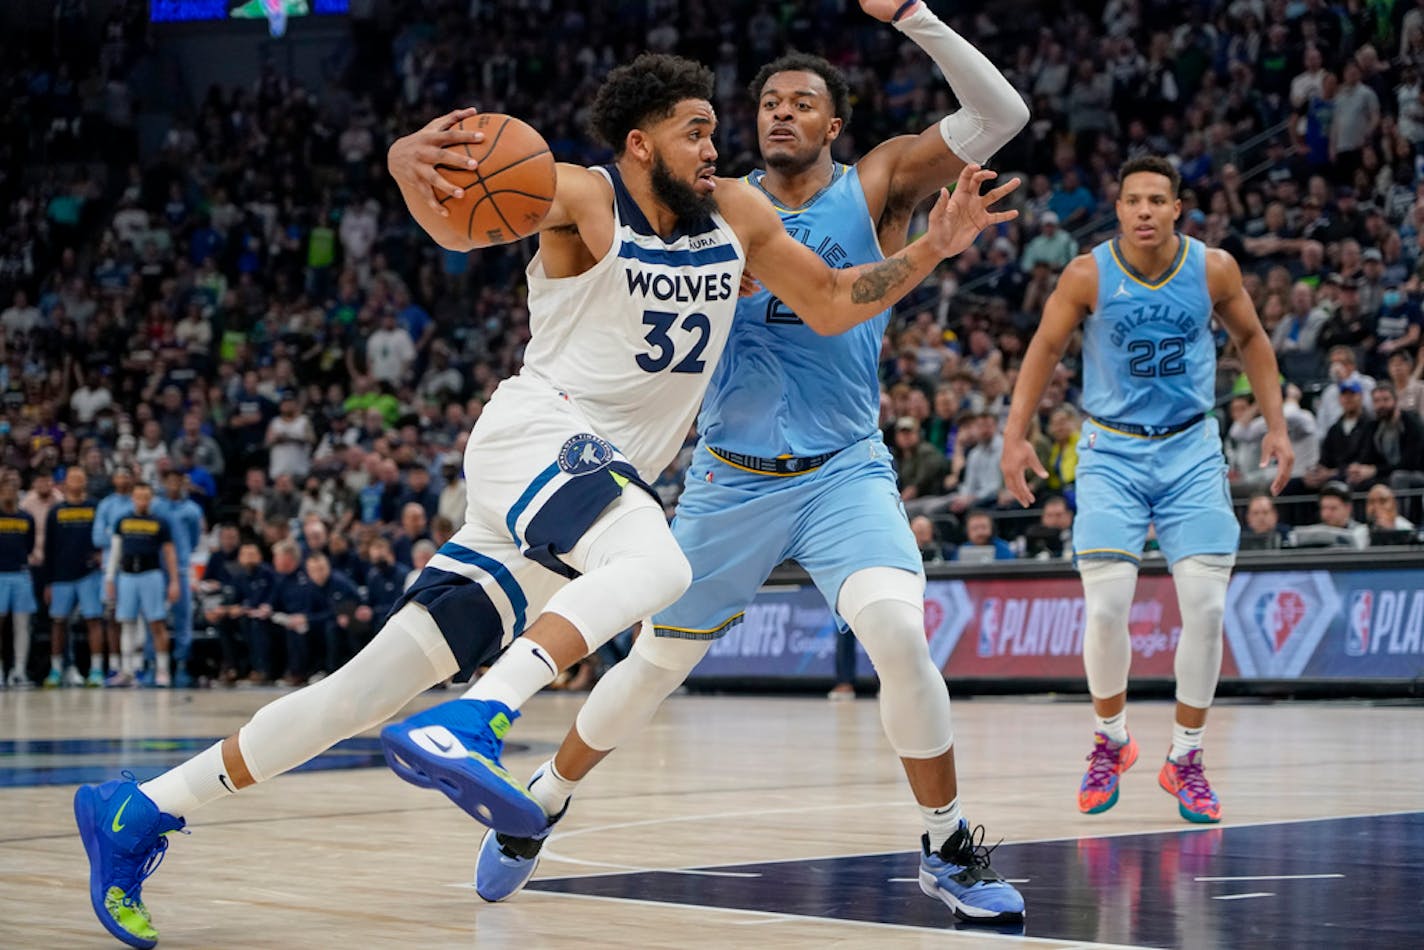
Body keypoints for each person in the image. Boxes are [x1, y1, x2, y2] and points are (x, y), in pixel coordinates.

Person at [74, 51, 1017, 947]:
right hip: (539, 438)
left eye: (714, 131)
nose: (715, 147)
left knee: (357, 693)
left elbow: (836, 301)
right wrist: (409, 165)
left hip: (581, 488)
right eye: (696, 131)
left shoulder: (736, 216)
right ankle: (474, 720)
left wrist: (933, 247)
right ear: (641, 143)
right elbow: (455, 222)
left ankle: (142, 808)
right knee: (655, 562)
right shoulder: (580, 194)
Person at [471, 4, 1027, 923]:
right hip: (729, 477)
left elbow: (1000, 116)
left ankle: (948, 841)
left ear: (834, 125)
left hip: (843, 467)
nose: (779, 114)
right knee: (649, 670)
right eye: (767, 102)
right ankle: (542, 802)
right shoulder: (711, 206)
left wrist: (917, 18)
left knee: (898, 633)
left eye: (803, 103)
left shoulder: (879, 182)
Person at [1001, 155, 1294, 825]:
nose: (1142, 210)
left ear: (1176, 210)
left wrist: (1275, 425)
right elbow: (1043, 349)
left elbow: (1251, 338)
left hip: (1191, 447)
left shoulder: (1213, 268)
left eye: (1155, 200)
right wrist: (1015, 436)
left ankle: (1185, 757)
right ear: (1119, 208)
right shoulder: (1087, 273)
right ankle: (1111, 740)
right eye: (1132, 199)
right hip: (1111, 451)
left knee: (1208, 609)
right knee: (1106, 609)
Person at [103, 482, 181, 687]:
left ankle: (162, 671)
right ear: (133, 498)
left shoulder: (159, 522)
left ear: (151, 499)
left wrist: (174, 580)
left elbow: (169, 553)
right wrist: (110, 578)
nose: (142, 501)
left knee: (156, 623)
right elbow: (115, 551)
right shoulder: (123, 521)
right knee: (126, 622)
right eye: (139, 496)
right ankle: (127, 670)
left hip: (151, 575)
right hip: (128, 576)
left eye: (146, 497)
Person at [44, 468, 105, 687]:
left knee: (93, 620)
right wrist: (48, 582)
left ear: (86, 482)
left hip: (89, 574)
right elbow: (49, 549)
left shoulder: (95, 507)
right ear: (65, 483)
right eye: (73, 478)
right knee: (59, 622)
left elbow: (103, 539)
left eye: (81, 478)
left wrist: (101, 555)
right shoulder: (56, 511)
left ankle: (96, 670)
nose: (77, 482)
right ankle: (56, 669)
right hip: (61, 576)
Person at [153, 470, 205, 687]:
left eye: (178, 481)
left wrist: (182, 558)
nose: (174, 485)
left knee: (184, 620)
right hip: (156, 570)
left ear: (184, 483)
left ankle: (182, 665)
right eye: (170, 480)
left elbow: (194, 540)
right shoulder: (156, 506)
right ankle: (153, 664)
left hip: (181, 569)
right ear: (164, 482)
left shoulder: (192, 510)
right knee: (155, 620)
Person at [0, 479, 36, 688]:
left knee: (22, 625)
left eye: (12, 490)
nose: (8, 493)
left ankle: (19, 671)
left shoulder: (26, 518)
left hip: (20, 574)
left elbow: (29, 546)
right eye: (4, 489)